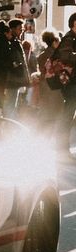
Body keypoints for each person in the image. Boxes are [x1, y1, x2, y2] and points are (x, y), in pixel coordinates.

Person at [36, 29, 64, 141]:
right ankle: (51, 138)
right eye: (58, 41)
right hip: (54, 86)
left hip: (44, 86)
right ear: (53, 42)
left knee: (45, 111)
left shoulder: (42, 55)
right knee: (55, 113)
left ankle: (42, 136)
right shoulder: (56, 56)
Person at [57, 12, 76, 158]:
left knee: (68, 114)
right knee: (67, 114)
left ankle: (63, 147)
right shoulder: (69, 38)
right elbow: (65, 56)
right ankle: (62, 148)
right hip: (71, 84)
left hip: (72, 83)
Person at [3, 19, 30, 119]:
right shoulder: (11, 43)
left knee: (12, 104)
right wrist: (16, 67)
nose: (21, 31)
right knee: (10, 105)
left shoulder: (15, 42)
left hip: (15, 79)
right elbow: (14, 61)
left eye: (22, 29)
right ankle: (7, 124)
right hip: (13, 80)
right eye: (19, 29)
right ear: (12, 29)